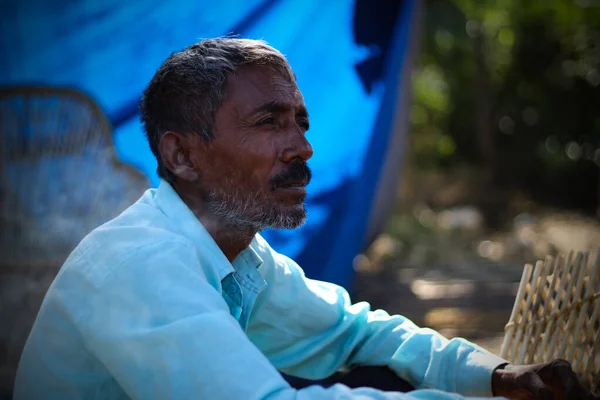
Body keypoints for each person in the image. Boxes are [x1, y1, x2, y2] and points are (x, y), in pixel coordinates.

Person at [13, 37, 594, 400]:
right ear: (182, 154)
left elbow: (356, 332)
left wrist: (495, 375)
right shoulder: (141, 265)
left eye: (301, 122)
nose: (302, 147)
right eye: (269, 122)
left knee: (382, 367)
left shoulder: (241, 257)